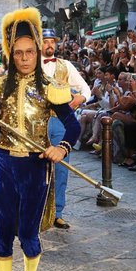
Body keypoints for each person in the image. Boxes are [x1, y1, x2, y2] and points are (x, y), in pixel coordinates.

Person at [0, 7, 80, 271]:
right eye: (18, 52)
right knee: (2, 231)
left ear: (37, 50)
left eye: (29, 52)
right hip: (4, 164)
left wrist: (61, 147)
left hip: (36, 168)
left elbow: (73, 126)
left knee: (29, 231)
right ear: (10, 53)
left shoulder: (51, 87)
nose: (24, 58)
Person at [41, 28, 90, 229]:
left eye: (53, 41)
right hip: (39, 122)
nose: (50, 45)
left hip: (61, 123)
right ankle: (37, 210)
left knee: (62, 168)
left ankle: (57, 212)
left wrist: (80, 98)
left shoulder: (66, 65)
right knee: (38, 167)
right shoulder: (31, 66)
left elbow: (85, 88)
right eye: (45, 41)